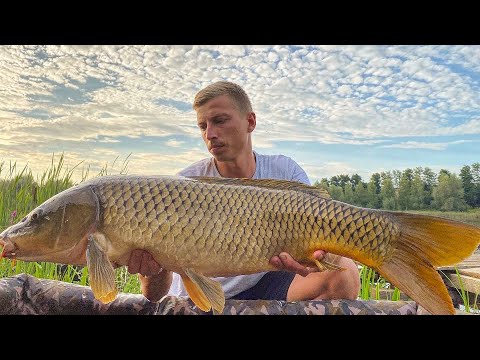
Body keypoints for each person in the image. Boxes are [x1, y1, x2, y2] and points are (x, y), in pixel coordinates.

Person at [127, 81, 360, 304]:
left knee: (345, 272)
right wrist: (152, 271)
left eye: (219, 121)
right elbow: (153, 295)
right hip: (201, 297)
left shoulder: (285, 171)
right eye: (202, 126)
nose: (210, 134)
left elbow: (320, 246)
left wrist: (318, 256)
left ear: (250, 122)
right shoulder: (181, 188)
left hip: (267, 282)